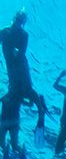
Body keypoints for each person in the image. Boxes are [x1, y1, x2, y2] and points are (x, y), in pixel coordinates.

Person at [0, 10, 47, 146]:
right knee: (20, 93)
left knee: (28, 92)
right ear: (14, 18)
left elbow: (21, 53)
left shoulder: (23, 35)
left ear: (23, 23)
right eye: (18, 19)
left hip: (21, 71)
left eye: (21, 21)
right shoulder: (3, 32)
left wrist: (16, 53)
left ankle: (40, 116)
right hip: (14, 77)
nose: (18, 23)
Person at [0, 93, 31, 159]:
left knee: (5, 145)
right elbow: (30, 104)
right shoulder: (18, 96)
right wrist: (32, 97)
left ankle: (10, 150)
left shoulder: (6, 96)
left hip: (6, 122)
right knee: (13, 146)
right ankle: (21, 152)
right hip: (12, 122)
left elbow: (30, 104)